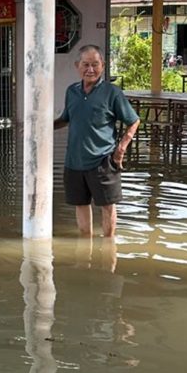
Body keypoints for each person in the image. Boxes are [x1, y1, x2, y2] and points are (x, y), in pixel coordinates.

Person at [53, 44, 140, 238]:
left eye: (95, 64)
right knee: (80, 204)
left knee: (108, 206)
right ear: (77, 65)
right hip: (74, 161)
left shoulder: (112, 92)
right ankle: (86, 247)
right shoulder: (72, 91)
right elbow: (65, 119)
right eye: (85, 64)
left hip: (102, 161)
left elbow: (133, 120)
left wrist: (121, 148)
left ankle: (109, 250)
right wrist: (40, 128)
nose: (90, 69)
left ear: (103, 66)